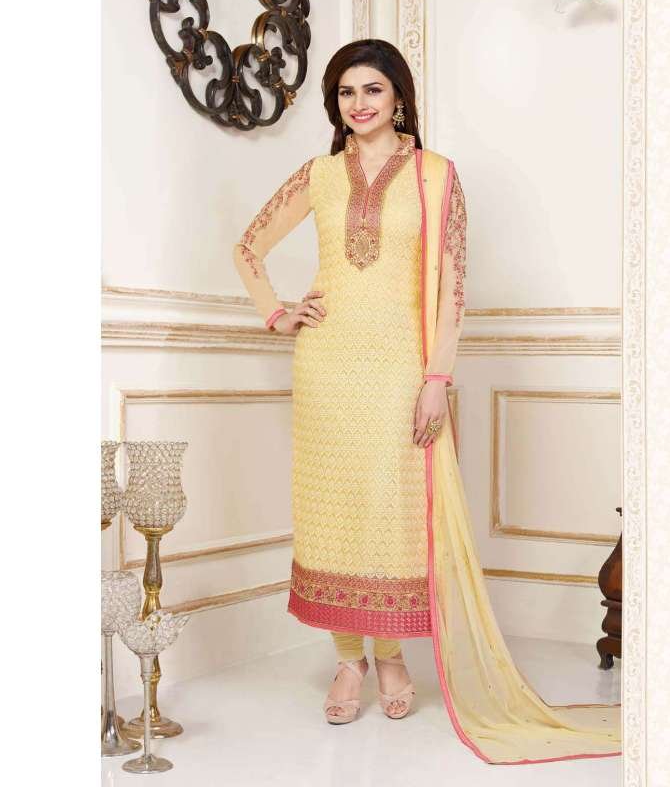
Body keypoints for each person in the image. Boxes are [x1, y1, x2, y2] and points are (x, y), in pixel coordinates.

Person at [233, 38, 621, 765]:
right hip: (327, 368)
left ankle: (389, 655)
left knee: (392, 514)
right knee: (335, 510)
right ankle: (347, 660)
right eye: (345, 93)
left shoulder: (437, 176)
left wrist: (437, 378)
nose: (359, 104)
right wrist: (278, 313)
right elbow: (248, 246)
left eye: (372, 89)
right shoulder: (319, 175)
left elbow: (453, 285)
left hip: (400, 370)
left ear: (399, 96)